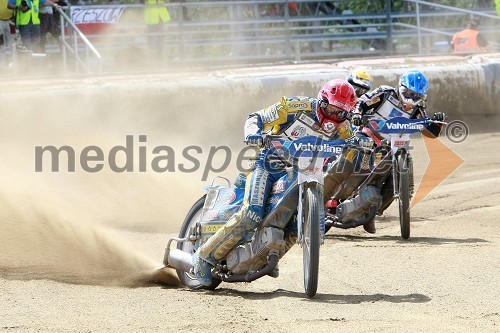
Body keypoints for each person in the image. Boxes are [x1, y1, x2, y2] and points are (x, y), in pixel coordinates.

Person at [193, 79, 358, 286]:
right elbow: (257, 117)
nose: (335, 116)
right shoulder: (295, 107)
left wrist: (363, 144)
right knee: (252, 213)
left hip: (305, 172)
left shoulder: (344, 128)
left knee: (296, 225)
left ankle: (268, 255)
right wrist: (253, 133)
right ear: (322, 100)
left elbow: (353, 144)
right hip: (268, 165)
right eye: (332, 108)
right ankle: (203, 256)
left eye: (341, 112)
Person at [323, 70, 446, 234]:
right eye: (408, 93)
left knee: (393, 179)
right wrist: (358, 114)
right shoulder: (385, 93)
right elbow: (363, 102)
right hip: (368, 135)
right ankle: (332, 198)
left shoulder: (418, 110)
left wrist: (436, 124)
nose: (410, 99)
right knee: (355, 157)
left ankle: (372, 212)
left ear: (422, 97)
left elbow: (430, 133)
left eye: (416, 96)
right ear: (400, 87)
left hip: (395, 147)